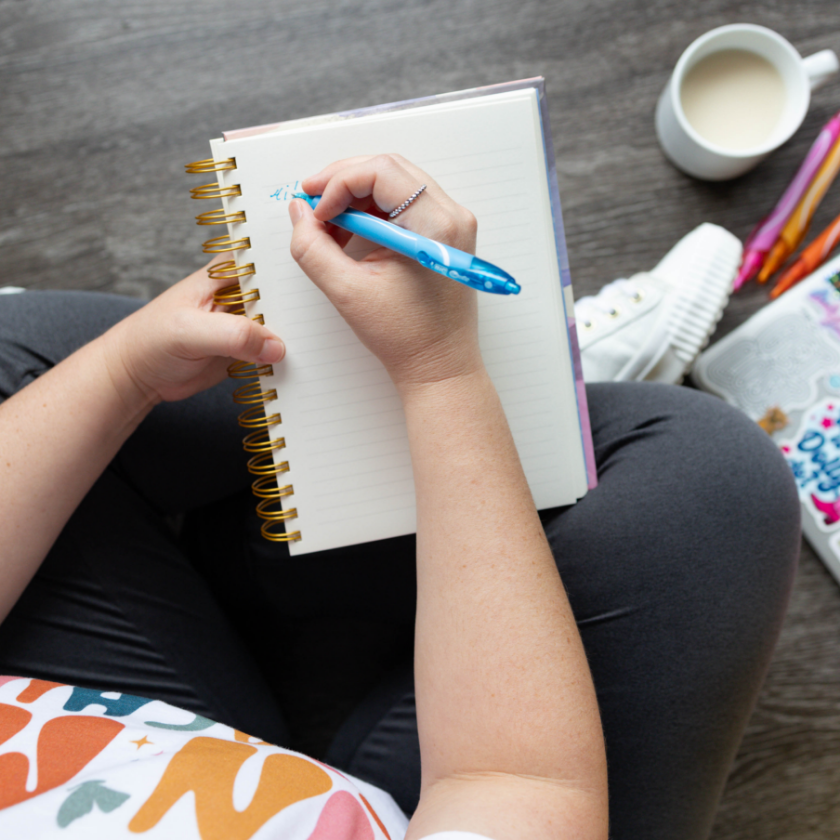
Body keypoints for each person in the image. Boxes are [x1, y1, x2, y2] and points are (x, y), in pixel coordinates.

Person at [0, 155, 800, 840]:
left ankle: (266, 544)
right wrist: (440, 371)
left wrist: (122, 372)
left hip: (86, 751)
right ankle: (529, 422)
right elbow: (514, 788)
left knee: (25, 369)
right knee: (709, 493)